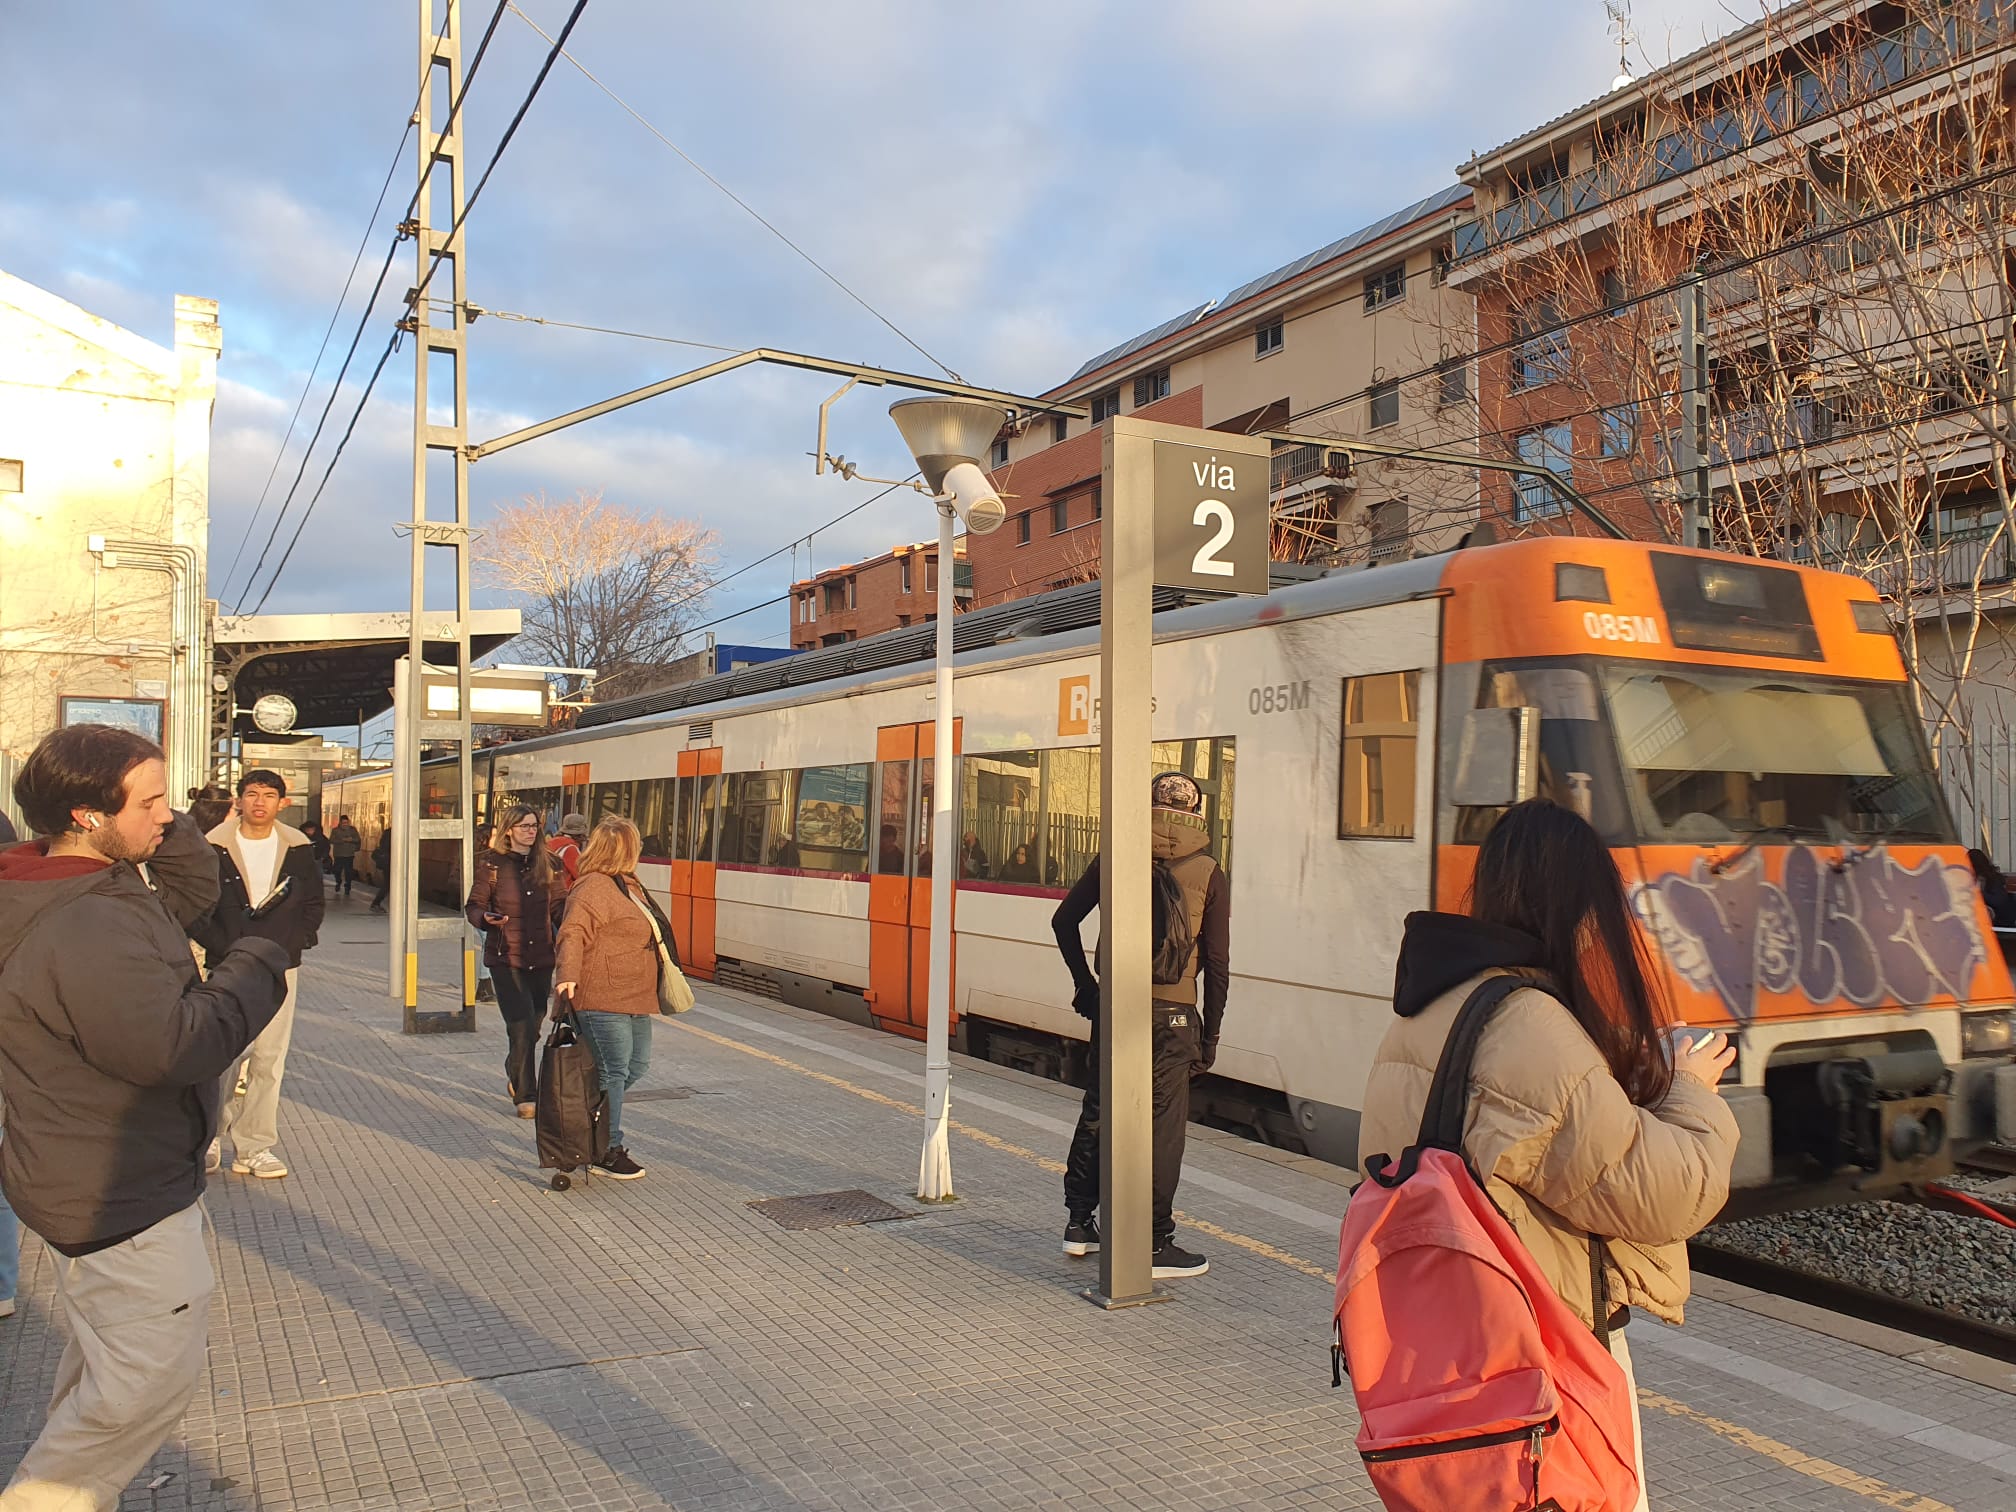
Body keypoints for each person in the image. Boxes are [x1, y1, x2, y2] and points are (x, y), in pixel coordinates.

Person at [1359, 799, 1740, 1512]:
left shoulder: (1426, 1008)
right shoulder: (1529, 1020)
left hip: (1448, 1350)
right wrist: (1691, 1089)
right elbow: (1665, 1193)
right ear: (1578, 907)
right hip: (1544, 1349)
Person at [0, 724, 288, 1510]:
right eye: (154, 801)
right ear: (90, 815)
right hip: (115, 1186)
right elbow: (172, 1048)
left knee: (108, 1370)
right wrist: (263, 962)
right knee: (144, 1383)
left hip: (101, 1172)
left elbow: (193, 891)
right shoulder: (84, 919)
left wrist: (162, 813)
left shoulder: (82, 882)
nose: (171, 816)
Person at [1052, 771, 1229, 1278]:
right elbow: (1217, 963)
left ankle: (1081, 1223)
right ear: (1196, 814)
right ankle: (1153, 1242)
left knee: (1100, 1109)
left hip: (1115, 1004)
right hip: (1173, 1017)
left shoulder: (1117, 852)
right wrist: (1209, 1036)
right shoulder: (1209, 870)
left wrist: (1088, 987)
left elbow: (1064, 922)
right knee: (1163, 1129)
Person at [194, 770, 325, 1180]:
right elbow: (196, 905)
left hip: (280, 964)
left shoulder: (298, 847)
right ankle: (210, 1137)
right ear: (239, 799)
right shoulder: (213, 845)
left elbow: (314, 901)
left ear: (282, 802)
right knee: (224, 1056)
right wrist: (220, 946)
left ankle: (254, 1147)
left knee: (270, 1058)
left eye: (269, 795)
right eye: (252, 794)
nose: (259, 802)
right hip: (226, 965)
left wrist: (297, 941)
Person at [554, 816, 664, 1181]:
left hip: (634, 994)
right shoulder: (593, 887)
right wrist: (567, 978)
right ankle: (606, 1148)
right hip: (601, 993)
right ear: (622, 850)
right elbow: (571, 933)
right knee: (613, 1070)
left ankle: (587, 1119)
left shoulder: (627, 884)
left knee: (637, 1066)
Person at [465, 805, 561, 1118]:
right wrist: (485, 919)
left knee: (533, 1027)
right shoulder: (491, 864)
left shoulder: (550, 864)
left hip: (541, 958)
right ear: (509, 830)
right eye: (523, 826)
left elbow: (560, 906)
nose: (531, 832)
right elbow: (474, 906)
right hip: (505, 957)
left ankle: (513, 1065)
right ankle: (526, 1095)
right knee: (520, 1026)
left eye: (534, 826)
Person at [1969, 848, 2016, 929]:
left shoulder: (1993, 879)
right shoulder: (1970, 879)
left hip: (2001, 921)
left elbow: (1998, 901)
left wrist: (1979, 892)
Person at [551, 812, 588, 892]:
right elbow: (581, 875)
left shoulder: (551, 843)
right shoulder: (570, 849)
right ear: (579, 835)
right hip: (562, 895)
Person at [328, 815, 362, 897]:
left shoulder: (353, 830)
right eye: (343, 823)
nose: (345, 824)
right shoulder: (335, 830)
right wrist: (341, 840)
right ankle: (338, 881)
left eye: (346, 822)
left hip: (349, 854)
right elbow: (331, 840)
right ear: (340, 823)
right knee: (337, 870)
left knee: (348, 871)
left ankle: (347, 887)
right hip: (338, 854)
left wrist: (351, 840)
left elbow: (358, 839)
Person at [369, 824, 392, 914]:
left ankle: (375, 904)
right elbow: (387, 848)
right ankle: (375, 903)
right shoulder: (391, 833)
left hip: (389, 862)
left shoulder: (387, 832)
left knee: (388, 885)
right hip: (390, 862)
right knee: (387, 885)